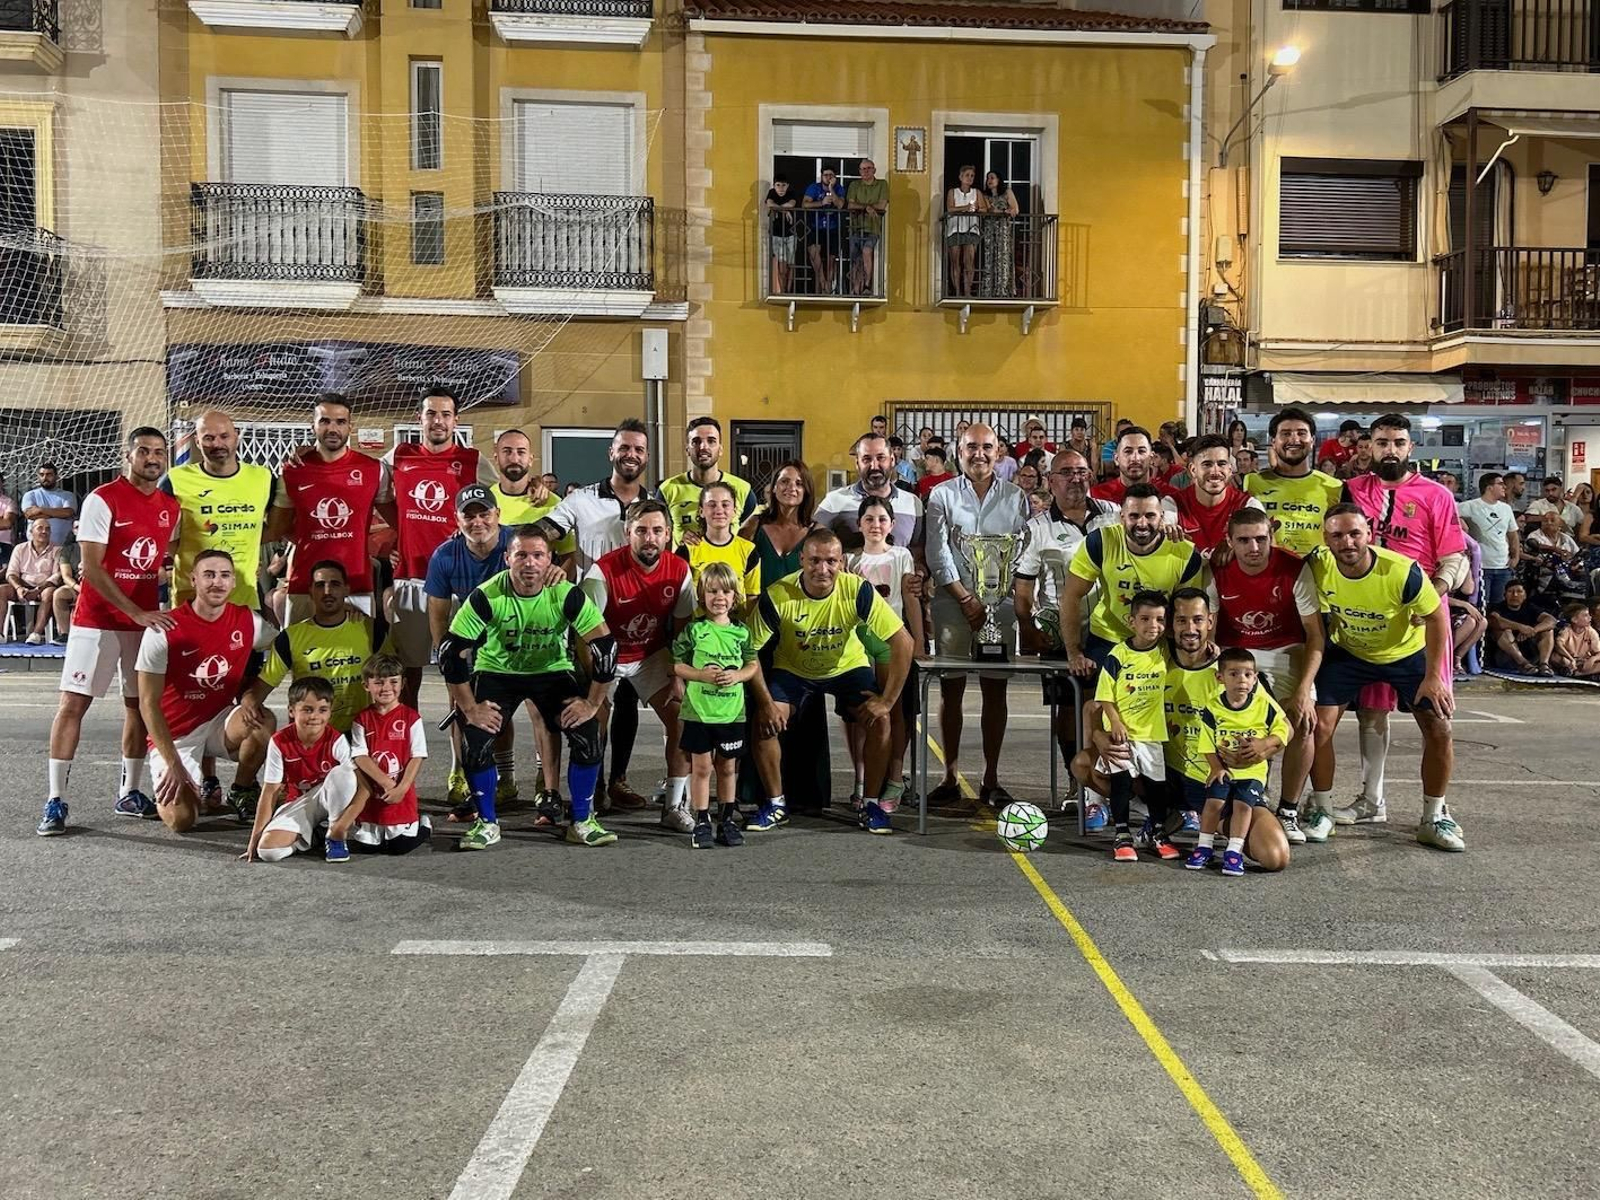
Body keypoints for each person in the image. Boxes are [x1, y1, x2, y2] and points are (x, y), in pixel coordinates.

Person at [37, 428, 180, 836]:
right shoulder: (103, 498)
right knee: (73, 704)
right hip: (97, 621)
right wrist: (135, 611)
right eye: (144, 451)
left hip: (143, 622)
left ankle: (129, 792)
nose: (152, 458)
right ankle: (55, 799)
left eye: (158, 452)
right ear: (128, 455)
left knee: (137, 705)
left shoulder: (171, 507)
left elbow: (160, 561)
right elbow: (93, 569)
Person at [438, 525, 618, 850]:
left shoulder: (566, 594)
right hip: (497, 671)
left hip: (550, 671)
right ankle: (487, 823)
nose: (530, 563)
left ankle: (581, 820)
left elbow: (605, 647)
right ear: (507, 558)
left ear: (550, 560)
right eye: (521, 555)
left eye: (538, 555)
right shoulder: (487, 595)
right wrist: (469, 708)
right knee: (476, 738)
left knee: (588, 732)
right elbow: (451, 652)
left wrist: (592, 704)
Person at [1305, 505, 1461, 851]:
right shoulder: (1318, 563)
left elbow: (1437, 617)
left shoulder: (1401, 572)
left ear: (1369, 535)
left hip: (1404, 654)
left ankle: (1434, 817)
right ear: (1325, 539)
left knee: (1439, 727)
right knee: (1317, 726)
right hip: (1350, 652)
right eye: (1337, 535)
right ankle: (1322, 810)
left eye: (1354, 533)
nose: (1347, 542)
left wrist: (1434, 676)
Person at [1340, 413, 1468, 833]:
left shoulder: (1436, 495)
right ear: (1368, 448)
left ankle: (1436, 812)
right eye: (1381, 442)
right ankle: (1371, 799)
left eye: (1397, 442)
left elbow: (1454, 555)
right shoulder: (1353, 491)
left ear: (1410, 448)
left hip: (1423, 619)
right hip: (1369, 620)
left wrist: (1435, 592)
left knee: (1433, 716)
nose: (1389, 449)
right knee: (1371, 712)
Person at [745, 528, 913, 834]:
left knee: (882, 720)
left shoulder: (857, 590)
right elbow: (748, 650)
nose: (823, 569)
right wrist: (766, 702)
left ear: (841, 562)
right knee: (764, 721)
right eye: (815, 561)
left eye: (831, 561)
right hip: (793, 670)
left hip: (847, 668)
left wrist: (886, 700)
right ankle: (775, 803)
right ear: (801, 560)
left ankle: (871, 804)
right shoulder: (778, 594)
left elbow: (903, 642)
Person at [537, 419, 652, 810]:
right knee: (594, 701)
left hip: (638, 618)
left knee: (628, 702)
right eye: (624, 447)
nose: (630, 455)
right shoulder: (582, 499)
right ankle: (595, 784)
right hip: (590, 620)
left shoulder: (654, 503)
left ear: (646, 456)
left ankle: (618, 780)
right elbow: (545, 530)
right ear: (611, 453)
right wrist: (542, 555)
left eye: (638, 449)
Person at [425, 484, 548, 819]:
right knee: (463, 704)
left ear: (498, 515)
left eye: (484, 513)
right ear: (457, 519)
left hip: (523, 635)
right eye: (469, 515)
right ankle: (460, 771)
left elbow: (546, 573)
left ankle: (536, 779)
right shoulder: (445, 556)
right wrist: (449, 665)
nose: (477, 521)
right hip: (471, 638)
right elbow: (438, 615)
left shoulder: (518, 546)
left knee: (537, 705)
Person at [136, 550, 279, 834]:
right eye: (209, 575)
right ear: (193, 580)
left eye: (225, 575)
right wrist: (172, 763)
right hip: (176, 736)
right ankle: (184, 783)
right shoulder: (163, 630)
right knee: (182, 820)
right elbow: (147, 704)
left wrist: (251, 695)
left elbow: (287, 645)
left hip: (218, 723)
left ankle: (242, 789)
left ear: (234, 583)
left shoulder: (247, 621)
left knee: (263, 720)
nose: (217, 582)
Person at [925, 423, 1030, 809]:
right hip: (953, 604)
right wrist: (966, 598)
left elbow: (1020, 553)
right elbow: (938, 554)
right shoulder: (941, 495)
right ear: (959, 450)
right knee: (950, 689)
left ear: (999, 451)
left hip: (999, 607)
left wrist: (996, 599)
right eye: (972, 447)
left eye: (987, 447)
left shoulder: (1016, 498)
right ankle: (949, 775)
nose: (979, 454)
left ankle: (991, 777)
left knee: (994, 690)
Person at [1015, 448, 1119, 821]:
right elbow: (1023, 589)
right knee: (1069, 711)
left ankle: (1114, 783)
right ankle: (1081, 785)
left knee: (1112, 710)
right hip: (1062, 634)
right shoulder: (1036, 528)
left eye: (1081, 471)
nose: (1075, 478)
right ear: (1051, 481)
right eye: (1066, 472)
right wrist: (1027, 629)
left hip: (1112, 632)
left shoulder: (1115, 515)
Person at [1207, 509, 1323, 844]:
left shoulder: (1294, 568)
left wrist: (1304, 690)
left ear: (1271, 536)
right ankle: (1235, 795)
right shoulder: (1218, 569)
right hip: (1233, 650)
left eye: (1261, 538)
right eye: (1243, 540)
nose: (1254, 547)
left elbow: (1315, 636)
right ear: (1230, 541)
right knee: (1222, 716)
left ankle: (1287, 810)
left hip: (1285, 650)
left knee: (1302, 721)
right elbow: (1210, 632)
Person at [378, 387, 497, 711]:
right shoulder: (398, 456)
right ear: (420, 418)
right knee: (407, 675)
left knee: (457, 672)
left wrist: (534, 486)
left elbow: (503, 501)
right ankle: (406, 745)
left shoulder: (473, 461)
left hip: (460, 582)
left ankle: (459, 759)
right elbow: (381, 497)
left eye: (445, 414)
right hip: (412, 577)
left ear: (456, 420)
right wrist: (403, 531)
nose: (438, 421)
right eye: (431, 414)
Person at [582, 500, 696, 832]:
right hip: (607, 652)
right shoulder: (601, 573)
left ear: (668, 535)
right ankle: (590, 797)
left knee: (682, 718)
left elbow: (684, 629)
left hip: (651, 654)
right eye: (642, 531)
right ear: (627, 532)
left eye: (658, 531)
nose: (650, 538)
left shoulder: (679, 570)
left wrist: (679, 674)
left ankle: (675, 804)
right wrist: (594, 685)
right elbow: (584, 635)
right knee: (593, 721)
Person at [1061, 484, 1205, 680]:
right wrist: (1074, 653)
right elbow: (1071, 596)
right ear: (1122, 517)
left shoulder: (1185, 553)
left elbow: (1189, 613)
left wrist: (1199, 648)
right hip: (1108, 637)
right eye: (1134, 516)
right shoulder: (1100, 542)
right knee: (1095, 704)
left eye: (1150, 516)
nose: (1142, 523)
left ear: (1162, 517)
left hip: (1159, 640)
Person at [269, 394, 391, 623]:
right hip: (304, 584)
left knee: (360, 656)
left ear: (350, 427)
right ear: (313, 425)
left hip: (356, 585)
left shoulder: (374, 469)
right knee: (299, 656)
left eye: (340, 422)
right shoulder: (293, 470)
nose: (332, 428)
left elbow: (398, 520)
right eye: (325, 421)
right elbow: (279, 527)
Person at [671, 562, 760, 848]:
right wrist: (700, 675)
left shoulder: (742, 633)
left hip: (732, 714)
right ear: (702, 594)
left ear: (735, 596)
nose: (719, 597)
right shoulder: (694, 631)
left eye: (725, 591)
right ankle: (701, 821)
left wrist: (736, 676)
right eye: (712, 591)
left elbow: (752, 666)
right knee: (701, 768)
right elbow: (677, 666)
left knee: (727, 769)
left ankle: (727, 820)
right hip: (699, 712)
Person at [848, 494, 925, 813]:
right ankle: (862, 780)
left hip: (893, 641)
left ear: (892, 525)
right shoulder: (850, 561)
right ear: (859, 524)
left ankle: (894, 779)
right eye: (869, 519)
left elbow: (910, 600)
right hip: (859, 643)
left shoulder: (901, 556)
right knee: (859, 713)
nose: (876, 525)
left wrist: (918, 641)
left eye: (882, 519)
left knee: (895, 710)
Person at [1186, 647, 1293, 876]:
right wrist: (1215, 766)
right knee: (1213, 803)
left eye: (1247, 674)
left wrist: (1264, 745)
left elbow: (1284, 729)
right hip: (1222, 771)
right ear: (1220, 678)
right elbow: (1205, 741)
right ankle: (1203, 847)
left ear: (1255, 678)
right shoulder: (1213, 707)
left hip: (1251, 773)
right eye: (1233, 674)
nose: (1241, 680)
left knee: (1243, 807)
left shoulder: (1263, 705)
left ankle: (1233, 851)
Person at [250, 558, 386, 737]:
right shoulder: (291, 637)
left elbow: (392, 683)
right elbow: (262, 687)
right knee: (252, 726)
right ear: (311, 591)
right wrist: (248, 705)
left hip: (360, 734)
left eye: (335, 584)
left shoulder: (370, 629)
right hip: (312, 736)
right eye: (320, 585)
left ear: (347, 590)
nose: (327, 591)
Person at [1085, 590, 1174, 863]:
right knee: (1121, 784)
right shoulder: (1118, 654)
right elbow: (1104, 695)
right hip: (1120, 733)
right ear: (1131, 621)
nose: (1153, 626)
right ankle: (1122, 834)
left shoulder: (1164, 653)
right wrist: (1114, 721)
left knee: (1156, 786)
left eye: (1160, 619)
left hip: (1152, 734)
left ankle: (1159, 832)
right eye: (1145, 619)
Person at [241, 676, 359, 865]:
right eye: (307, 710)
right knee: (268, 852)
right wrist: (255, 837)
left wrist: (344, 825)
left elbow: (353, 785)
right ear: (291, 711)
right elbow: (270, 790)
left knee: (344, 774)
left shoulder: (336, 740)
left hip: (326, 798)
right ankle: (314, 836)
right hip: (298, 803)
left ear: (330, 712)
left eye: (322, 710)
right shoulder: (279, 742)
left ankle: (335, 836)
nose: (315, 717)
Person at [164, 411, 274, 609]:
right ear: (197, 441)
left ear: (237, 435)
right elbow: (163, 536)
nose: (217, 444)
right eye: (208, 438)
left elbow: (276, 526)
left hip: (244, 597)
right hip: (191, 601)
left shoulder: (263, 478)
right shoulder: (175, 480)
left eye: (224, 436)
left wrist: (248, 555)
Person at [345, 653, 432, 854]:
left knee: (399, 848)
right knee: (366, 848)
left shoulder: (411, 718)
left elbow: (417, 756)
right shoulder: (362, 719)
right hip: (373, 792)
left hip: (400, 792)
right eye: (379, 682)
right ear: (366, 685)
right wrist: (385, 782)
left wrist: (401, 788)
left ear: (403, 684)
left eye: (393, 682)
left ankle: (424, 825)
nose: (386, 688)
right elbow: (359, 756)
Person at [1242, 407, 1344, 558]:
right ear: (1273, 441)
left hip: (1317, 574)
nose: (1294, 440)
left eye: (1301, 433)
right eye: (1286, 433)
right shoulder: (1251, 483)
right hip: (1267, 573)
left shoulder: (1335, 486)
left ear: (1312, 440)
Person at [815, 432, 925, 553]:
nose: (874, 466)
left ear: (892, 460)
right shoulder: (834, 501)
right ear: (857, 463)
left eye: (881, 458)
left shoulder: (913, 504)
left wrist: (919, 571)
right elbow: (814, 546)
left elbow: (918, 552)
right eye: (866, 459)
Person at [657, 416, 757, 547]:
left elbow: (748, 536)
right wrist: (680, 537)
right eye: (696, 441)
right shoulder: (668, 489)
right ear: (687, 449)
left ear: (720, 449)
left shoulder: (743, 489)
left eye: (711, 441)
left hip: (728, 566)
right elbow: (658, 534)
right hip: (686, 566)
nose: (703, 447)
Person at [1170, 434, 1260, 555]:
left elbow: (1263, 546)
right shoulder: (1173, 503)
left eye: (1221, 464)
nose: (1215, 472)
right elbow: (1163, 526)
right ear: (1193, 470)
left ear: (1230, 469)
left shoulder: (1248, 504)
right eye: (1207, 464)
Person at [677, 481, 761, 605]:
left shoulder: (748, 551)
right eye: (712, 505)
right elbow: (679, 598)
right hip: (697, 623)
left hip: (736, 623)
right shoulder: (687, 550)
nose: (719, 510)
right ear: (701, 511)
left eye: (725, 505)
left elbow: (752, 597)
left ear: (734, 511)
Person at [1458, 472, 1520, 608]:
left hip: (1503, 566)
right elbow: (1448, 517)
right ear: (1489, 487)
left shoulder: (1506, 509)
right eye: (1500, 484)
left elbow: (1513, 534)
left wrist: (1515, 557)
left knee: (1499, 607)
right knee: (1481, 605)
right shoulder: (1469, 506)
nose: (1504, 487)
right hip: (1481, 567)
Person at [1090, 426, 1179, 509]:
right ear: (1116, 458)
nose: (1135, 458)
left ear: (1151, 458)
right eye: (1128, 451)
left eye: (1141, 451)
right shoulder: (1096, 496)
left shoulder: (1171, 495)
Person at [488, 428, 561, 530]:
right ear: (496, 458)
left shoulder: (555, 504)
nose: (514, 459)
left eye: (521, 452)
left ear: (530, 459)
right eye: (507, 451)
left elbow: (568, 545)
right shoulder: (486, 500)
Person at [3, 519, 59, 643]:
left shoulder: (57, 550)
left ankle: (36, 634)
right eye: (40, 528)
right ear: (31, 531)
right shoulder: (20, 548)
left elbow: (56, 576)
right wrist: (18, 588)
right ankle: (0, 633)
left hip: (44, 587)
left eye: (47, 529)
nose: (44, 531)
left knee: (50, 593)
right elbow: (11, 573)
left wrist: (38, 590)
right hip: (22, 585)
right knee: (1, 590)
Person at [1488, 579, 1556, 673]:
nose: (1515, 595)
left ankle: (1544, 665)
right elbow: (1495, 621)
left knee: (1548, 630)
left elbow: (1551, 621)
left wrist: (1533, 630)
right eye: (1510, 591)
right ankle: (1524, 664)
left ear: (1524, 596)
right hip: (1507, 657)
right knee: (1503, 630)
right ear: (1505, 595)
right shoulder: (1498, 608)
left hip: (1530, 654)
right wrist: (1521, 627)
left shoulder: (1530, 607)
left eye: (1519, 591)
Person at [846, 157, 888, 296]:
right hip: (855, 226)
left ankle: (867, 285)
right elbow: (850, 205)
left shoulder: (882, 184)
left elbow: (882, 205)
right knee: (856, 259)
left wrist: (864, 207)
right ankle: (856, 288)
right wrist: (868, 208)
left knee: (866, 251)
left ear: (874, 170)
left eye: (868, 168)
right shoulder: (854, 185)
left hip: (873, 227)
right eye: (863, 169)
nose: (865, 171)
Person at [803, 167, 845, 294]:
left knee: (831, 260)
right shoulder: (814, 188)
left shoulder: (839, 188)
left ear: (835, 177)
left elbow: (841, 205)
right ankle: (822, 282)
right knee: (813, 252)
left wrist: (832, 189)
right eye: (826, 175)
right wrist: (821, 202)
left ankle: (827, 287)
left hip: (833, 228)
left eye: (831, 175)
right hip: (816, 226)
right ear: (821, 176)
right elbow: (804, 204)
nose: (828, 177)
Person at [945, 164, 982, 299]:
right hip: (955, 229)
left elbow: (983, 208)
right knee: (955, 261)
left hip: (971, 228)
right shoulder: (953, 192)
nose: (970, 178)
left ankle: (967, 291)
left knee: (969, 261)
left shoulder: (976, 192)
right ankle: (957, 292)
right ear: (960, 177)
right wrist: (966, 207)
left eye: (972, 176)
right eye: (967, 175)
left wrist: (977, 208)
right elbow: (950, 208)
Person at [979, 171, 1018, 298]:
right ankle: (988, 291)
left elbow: (1015, 210)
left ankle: (1003, 290)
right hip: (990, 230)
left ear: (999, 180)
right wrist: (1003, 211)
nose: (989, 180)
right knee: (989, 257)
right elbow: (987, 209)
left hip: (1004, 229)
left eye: (992, 178)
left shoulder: (1007, 192)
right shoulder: (985, 196)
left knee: (1003, 257)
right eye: (987, 178)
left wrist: (1002, 211)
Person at [22, 461, 75, 546]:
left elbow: (68, 513)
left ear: (56, 476)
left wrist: (40, 509)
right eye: (42, 475)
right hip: (37, 547)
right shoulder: (30, 495)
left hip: (63, 547)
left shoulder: (68, 495)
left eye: (49, 474)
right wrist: (58, 514)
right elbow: (29, 514)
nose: (45, 478)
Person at [765, 175, 799, 295]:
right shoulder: (771, 193)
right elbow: (769, 204)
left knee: (791, 264)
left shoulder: (791, 193)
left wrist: (778, 209)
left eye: (783, 185)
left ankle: (789, 290)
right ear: (774, 186)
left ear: (787, 186)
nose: (781, 188)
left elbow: (791, 204)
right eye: (778, 185)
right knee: (781, 265)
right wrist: (784, 211)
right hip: (776, 234)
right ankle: (783, 290)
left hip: (790, 234)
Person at [1553, 602, 1600, 678]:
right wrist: (1571, 660)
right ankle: (1586, 674)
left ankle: (1577, 674)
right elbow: (1559, 646)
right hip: (1569, 659)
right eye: (1585, 615)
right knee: (1556, 657)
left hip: (1583, 661)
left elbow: (1598, 652)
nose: (1590, 617)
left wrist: (1592, 659)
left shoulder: (1591, 631)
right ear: (1574, 620)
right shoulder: (1567, 630)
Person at [52, 521, 80, 642]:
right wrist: (79, 588)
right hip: (77, 586)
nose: (81, 529)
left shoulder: (100, 546)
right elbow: (66, 576)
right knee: (59, 594)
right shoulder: (67, 550)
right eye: (77, 527)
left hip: (98, 586)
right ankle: (65, 634)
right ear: (73, 531)